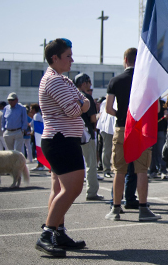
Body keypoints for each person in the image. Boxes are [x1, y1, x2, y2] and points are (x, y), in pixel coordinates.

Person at [35, 38, 89, 257]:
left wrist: (82, 102)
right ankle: (47, 234)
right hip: (61, 140)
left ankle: (58, 232)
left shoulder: (61, 80)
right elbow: (75, 109)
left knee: (58, 189)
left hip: (60, 139)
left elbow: (82, 100)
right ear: (54, 58)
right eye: (68, 56)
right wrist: (83, 103)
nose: (72, 59)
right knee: (73, 188)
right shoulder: (55, 81)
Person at [104, 48, 161, 222]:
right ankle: (143, 208)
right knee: (142, 170)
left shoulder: (115, 80)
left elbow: (107, 108)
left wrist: (121, 115)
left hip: (122, 127)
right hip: (140, 130)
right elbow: (157, 109)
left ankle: (115, 208)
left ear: (125, 60)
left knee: (119, 170)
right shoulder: (148, 81)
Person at [74, 73, 103, 201]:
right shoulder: (86, 97)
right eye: (89, 82)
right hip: (86, 133)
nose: (90, 85)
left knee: (73, 165)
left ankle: (70, 192)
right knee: (90, 163)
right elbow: (92, 118)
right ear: (84, 83)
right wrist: (98, 117)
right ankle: (91, 192)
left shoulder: (71, 96)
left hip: (71, 133)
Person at [96, 96, 116, 178]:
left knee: (116, 150)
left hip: (115, 127)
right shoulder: (105, 102)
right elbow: (101, 114)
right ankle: (106, 170)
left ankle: (114, 168)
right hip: (107, 128)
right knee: (107, 149)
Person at [29, 104, 47, 171]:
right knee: (37, 150)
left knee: (39, 150)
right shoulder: (37, 116)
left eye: (31, 109)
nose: (30, 110)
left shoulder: (36, 116)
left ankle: (41, 165)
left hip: (38, 135)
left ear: (34, 109)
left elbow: (36, 126)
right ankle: (39, 164)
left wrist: (33, 132)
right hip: (37, 135)